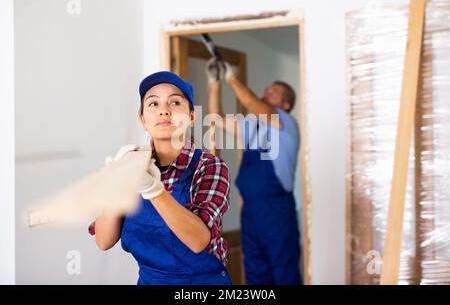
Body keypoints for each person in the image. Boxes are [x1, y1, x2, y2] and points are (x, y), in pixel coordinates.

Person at [91, 71, 232, 285]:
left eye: (175, 103)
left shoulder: (210, 167)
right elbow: (103, 240)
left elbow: (198, 240)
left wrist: (152, 189)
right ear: (143, 119)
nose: (164, 111)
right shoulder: (132, 165)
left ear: (191, 117)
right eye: (153, 104)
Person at [206, 59, 302, 285]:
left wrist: (231, 77)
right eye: (267, 91)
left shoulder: (285, 123)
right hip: (250, 211)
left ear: (286, 105)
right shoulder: (254, 126)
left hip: (277, 211)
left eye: (274, 94)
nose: (267, 94)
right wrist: (215, 82)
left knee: (284, 272)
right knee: (256, 272)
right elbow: (216, 119)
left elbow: (249, 101)